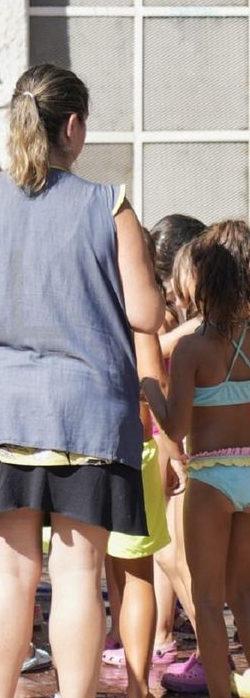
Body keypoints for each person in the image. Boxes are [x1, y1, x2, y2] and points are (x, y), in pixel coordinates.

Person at [0, 64, 163, 698]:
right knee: (79, 570)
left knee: (7, 568)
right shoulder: (107, 204)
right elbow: (145, 314)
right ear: (73, 126)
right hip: (87, 413)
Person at [143, 220, 250, 698]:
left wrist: (150, 388)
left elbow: (177, 428)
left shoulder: (192, 348)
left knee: (207, 599)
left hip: (209, 479)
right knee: (245, 594)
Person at [100, 232, 183, 698]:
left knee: (94, 572)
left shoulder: (84, 302)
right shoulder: (138, 316)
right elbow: (153, 384)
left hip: (88, 447)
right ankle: (136, 687)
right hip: (134, 449)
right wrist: (172, 449)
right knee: (136, 574)